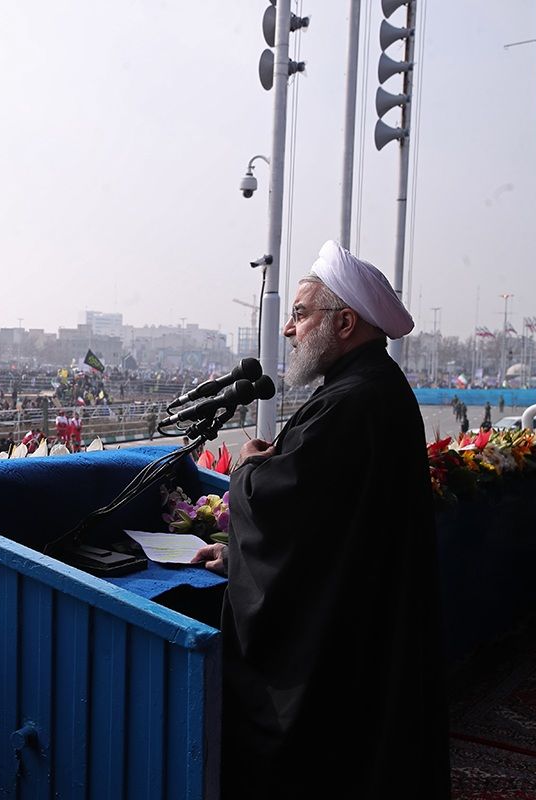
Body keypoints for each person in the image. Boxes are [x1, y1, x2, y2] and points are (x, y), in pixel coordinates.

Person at [191, 241, 448, 797]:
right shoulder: (368, 389)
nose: (288, 330)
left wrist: (246, 471)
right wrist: (237, 553)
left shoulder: (351, 403)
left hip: (339, 649)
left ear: (346, 322)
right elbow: (329, 525)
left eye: (301, 314)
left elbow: (287, 508)